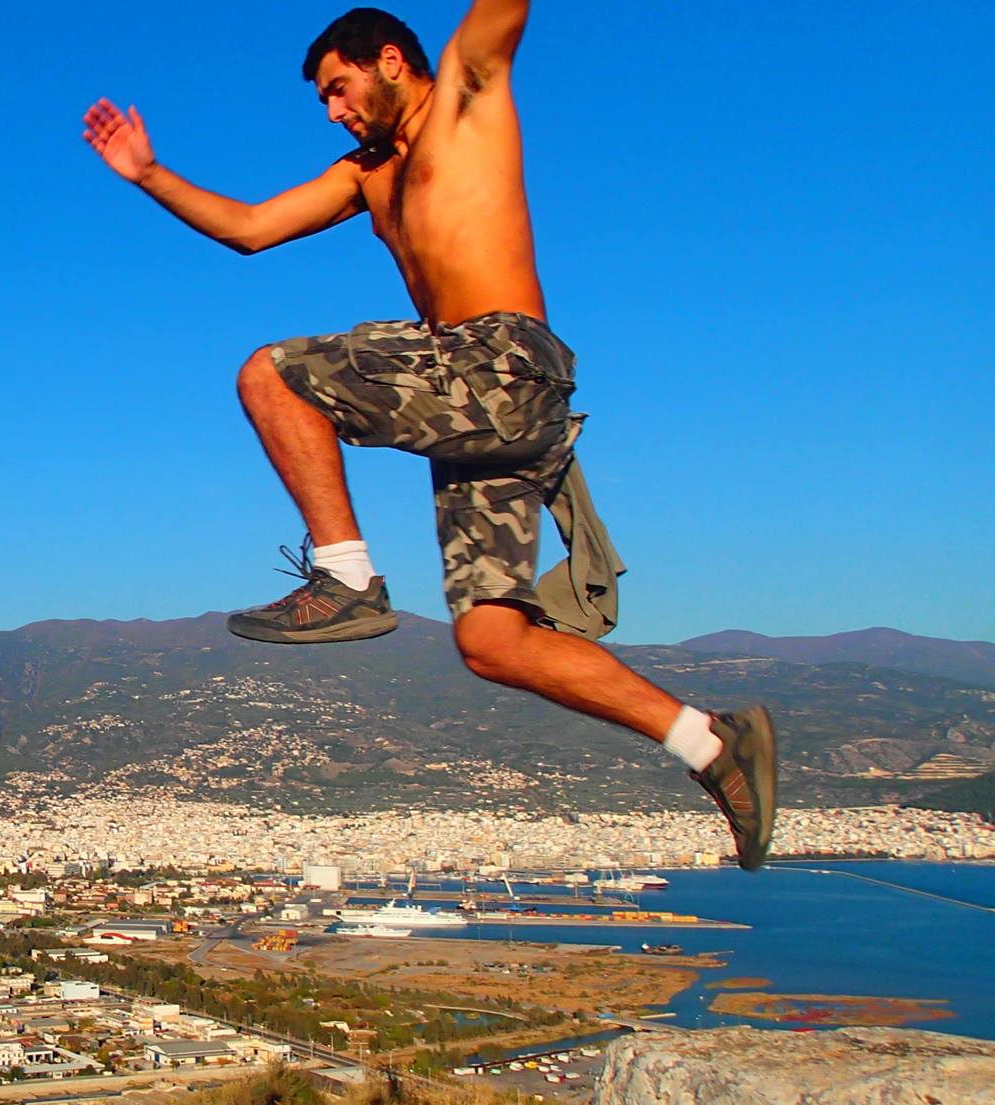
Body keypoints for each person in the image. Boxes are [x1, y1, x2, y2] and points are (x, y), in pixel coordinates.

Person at [82, 3, 776, 869]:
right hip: (472, 411)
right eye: (324, 100)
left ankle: (346, 577)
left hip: (501, 363)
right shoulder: (364, 173)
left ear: (389, 60)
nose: (334, 111)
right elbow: (250, 230)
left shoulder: (466, 95)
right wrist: (148, 173)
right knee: (492, 642)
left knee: (271, 375)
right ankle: (710, 744)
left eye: (339, 88)